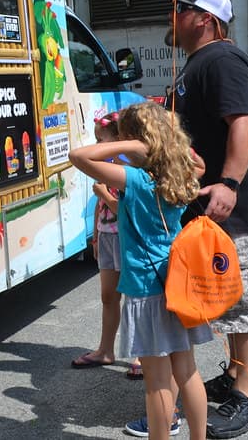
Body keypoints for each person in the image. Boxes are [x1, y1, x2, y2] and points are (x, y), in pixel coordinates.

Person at [164, 0, 248, 439]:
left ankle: (247, 393)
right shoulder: (198, 63)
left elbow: (244, 120)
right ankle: (233, 377)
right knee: (219, 296)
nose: (172, 17)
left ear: (204, 18)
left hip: (233, 210)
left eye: (180, 10)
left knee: (243, 302)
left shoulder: (222, 60)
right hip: (205, 208)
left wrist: (229, 182)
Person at [70, 101, 211, 440]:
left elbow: (79, 156)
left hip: (146, 287)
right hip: (177, 282)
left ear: (137, 138)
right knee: (187, 370)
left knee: (158, 381)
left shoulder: (134, 178)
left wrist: (133, 145)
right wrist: (166, 141)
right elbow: (201, 164)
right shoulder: (178, 172)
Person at [70, 112, 143, 380]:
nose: (97, 144)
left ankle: (140, 354)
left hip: (126, 237)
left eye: (102, 139)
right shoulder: (102, 164)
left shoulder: (128, 167)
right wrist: (96, 236)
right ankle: (105, 349)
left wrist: (103, 193)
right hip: (107, 235)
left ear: (119, 139)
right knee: (108, 297)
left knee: (135, 299)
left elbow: (127, 210)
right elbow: (98, 207)